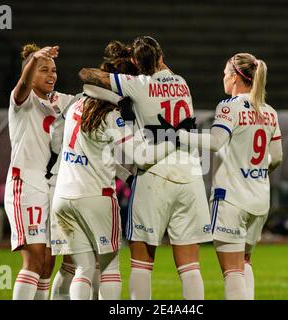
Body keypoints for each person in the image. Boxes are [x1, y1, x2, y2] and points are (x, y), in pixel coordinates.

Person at [79, 36, 212, 300]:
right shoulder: (182, 82)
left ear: (136, 64)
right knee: (189, 265)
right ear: (162, 57)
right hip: (191, 174)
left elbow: (86, 76)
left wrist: (118, 93)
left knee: (141, 262)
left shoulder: (137, 84)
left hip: (155, 175)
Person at [51, 42, 176, 300]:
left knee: (83, 268)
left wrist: (126, 177)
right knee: (109, 267)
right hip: (96, 197)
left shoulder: (76, 106)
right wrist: (173, 142)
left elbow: (87, 154)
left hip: (63, 196)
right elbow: (141, 157)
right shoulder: (111, 115)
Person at [157, 53, 283, 299]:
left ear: (235, 77)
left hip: (231, 199)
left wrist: (177, 135)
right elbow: (276, 157)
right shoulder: (270, 111)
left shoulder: (229, 106)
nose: (223, 77)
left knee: (232, 270)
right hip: (259, 199)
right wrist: (254, 173)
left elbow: (215, 142)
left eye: (226, 73)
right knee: (244, 262)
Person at [3, 44, 74, 300]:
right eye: (44, 70)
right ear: (31, 73)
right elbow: (22, 85)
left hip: (45, 187)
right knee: (33, 259)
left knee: (46, 262)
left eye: (53, 70)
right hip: (23, 184)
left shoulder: (58, 101)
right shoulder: (22, 101)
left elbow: (85, 102)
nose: (51, 75)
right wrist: (34, 58)